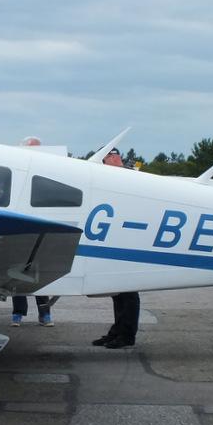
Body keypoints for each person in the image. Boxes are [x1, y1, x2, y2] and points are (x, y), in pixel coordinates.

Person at [92, 148, 140, 349]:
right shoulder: (114, 176)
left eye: (106, 159)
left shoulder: (130, 176)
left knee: (128, 292)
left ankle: (127, 335)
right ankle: (117, 331)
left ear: (112, 158)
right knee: (117, 290)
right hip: (116, 238)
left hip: (130, 239)